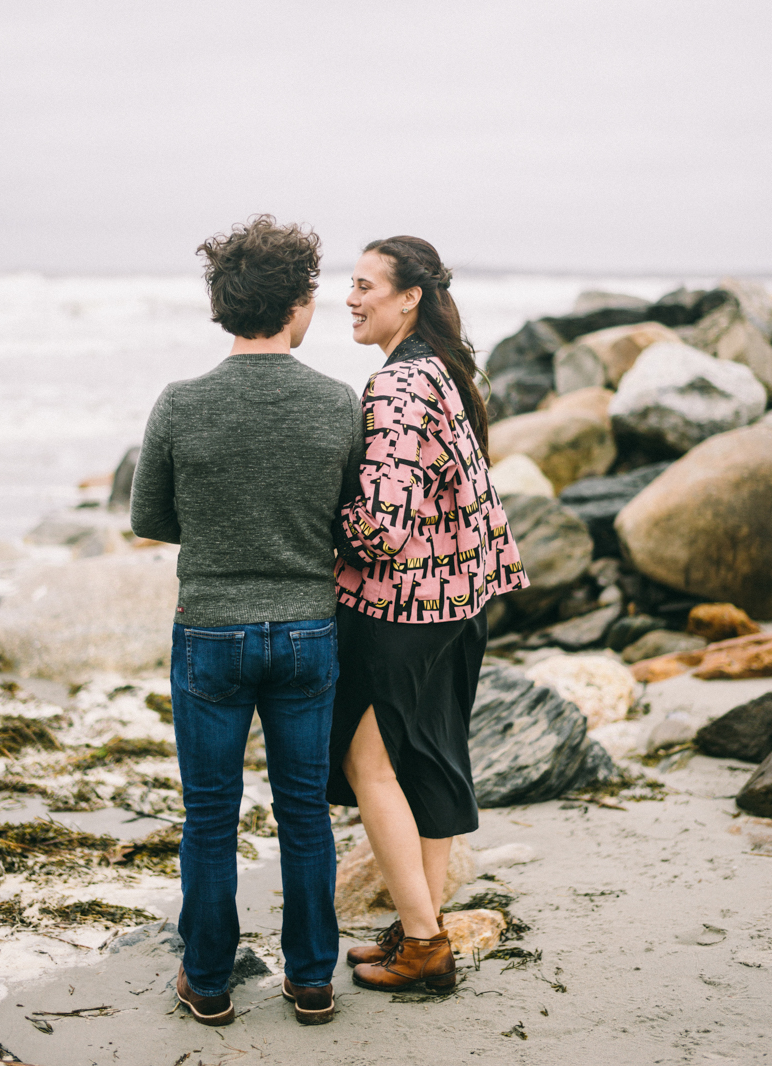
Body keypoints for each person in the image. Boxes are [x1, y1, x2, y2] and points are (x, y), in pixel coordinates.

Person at [130, 215, 363, 1027]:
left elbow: (150, 518)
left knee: (210, 813)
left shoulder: (181, 403)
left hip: (212, 632)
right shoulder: (338, 402)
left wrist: (226, 522)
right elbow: (349, 519)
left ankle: (209, 981)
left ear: (223, 303)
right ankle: (310, 979)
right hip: (307, 630)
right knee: (303, 810)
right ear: (298, 303)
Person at [328, 235, 528, 994]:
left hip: (402, 608)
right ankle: (426, 927)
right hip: (458, 600)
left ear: (408, 296)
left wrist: (314, 529)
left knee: (368, 763)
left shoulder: (396, 387)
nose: (349, 297)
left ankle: (422, 945)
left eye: (363, 284)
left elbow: (382, 526)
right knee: (431, 764)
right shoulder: (441, 371)